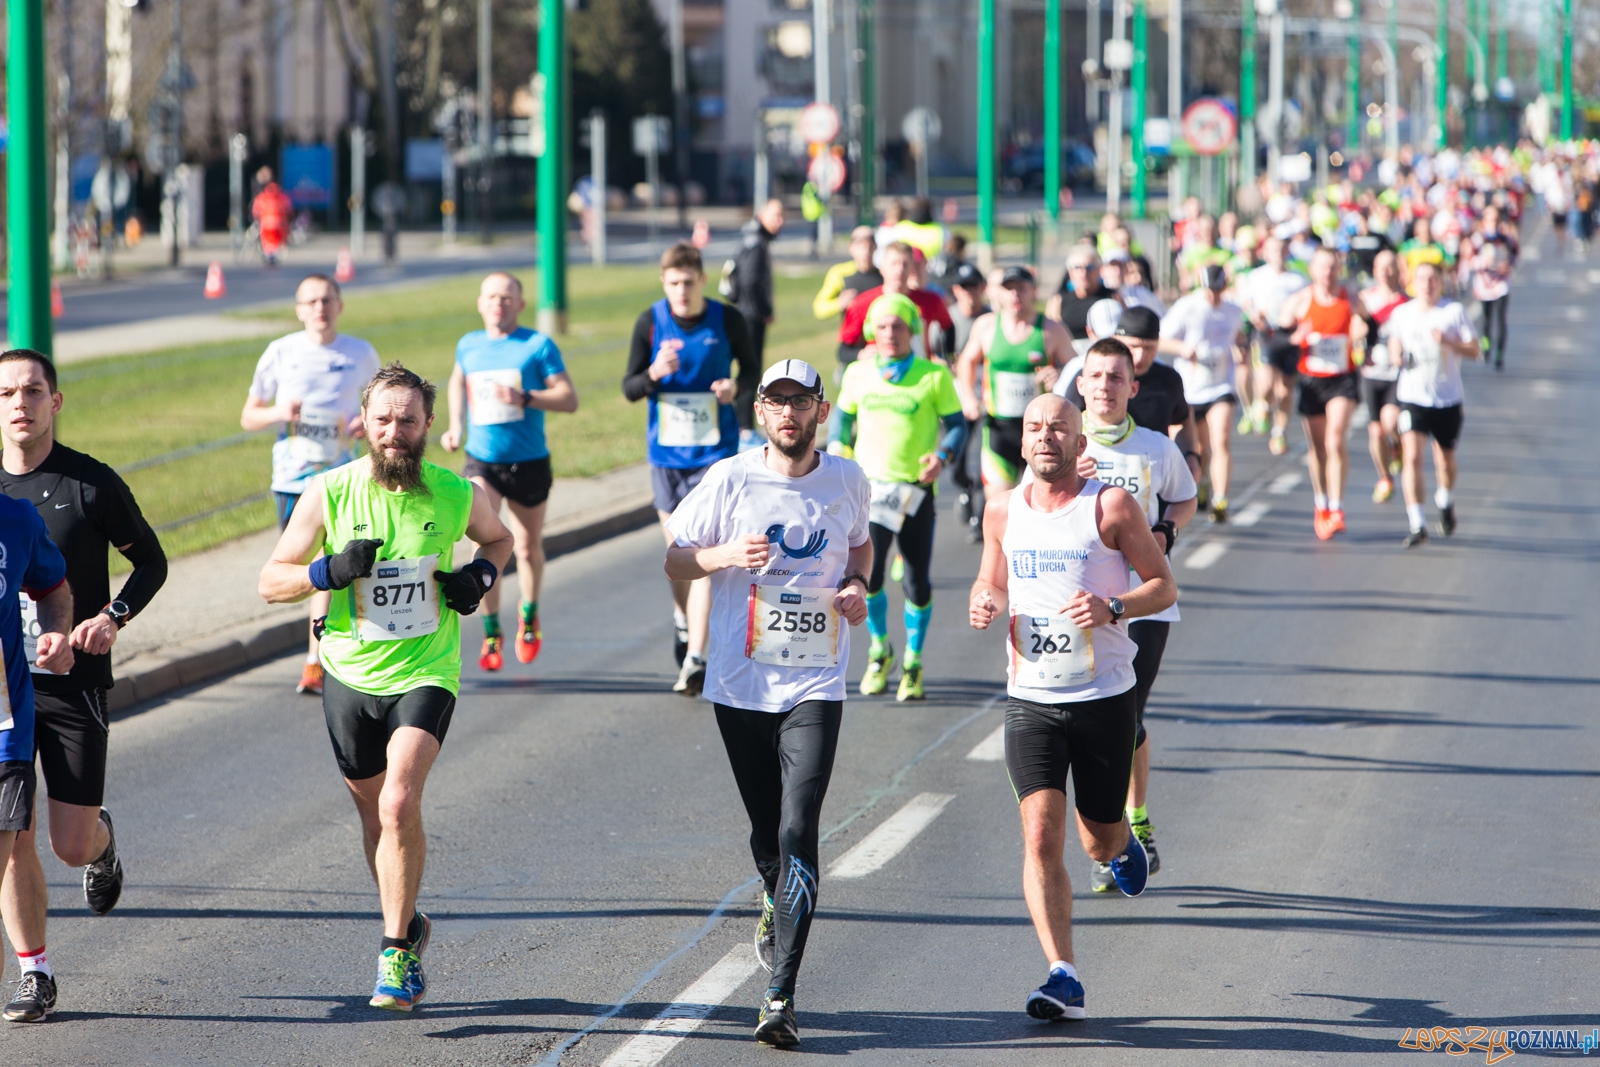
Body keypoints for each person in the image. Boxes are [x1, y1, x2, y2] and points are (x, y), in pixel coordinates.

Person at [259, 363, 513, 1012]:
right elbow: (271, 579)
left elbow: (500, 537)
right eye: (383, 421)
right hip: (349, 671)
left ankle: (395, 950)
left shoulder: (457, 492)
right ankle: (412, 919)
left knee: (399, 802)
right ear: (363, 425)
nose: (395, 432)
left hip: (427, 670)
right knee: (375, 818)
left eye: (408, 420)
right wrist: (330, 568)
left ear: (429, 424)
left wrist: (480, 575)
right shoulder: (331, 491)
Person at [664, 359, 872, 1049]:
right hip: (740, 682)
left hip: (816, 682)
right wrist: (724, 554)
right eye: (776, 401)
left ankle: (780, 992)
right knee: (766, 839)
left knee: (797, 829)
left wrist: (858, 585)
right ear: (760, 412)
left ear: (821, 409)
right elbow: (675, 558)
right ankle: (770, 894)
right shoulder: (728, 478)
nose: (789, 413)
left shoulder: (847, 479)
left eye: (801, 401)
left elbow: (862, 545)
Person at [968, 392, 1175, 1022]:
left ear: (1080, 442)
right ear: (1023, 440)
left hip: (1102, 697)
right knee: (1038, 835)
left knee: (1094, 840)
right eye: (1035, 428)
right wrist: (983, 599)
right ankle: (1063, 973)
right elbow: (991, 579)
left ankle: (1120, 846)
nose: (1045, 437)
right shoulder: (1002, 509)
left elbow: (1163, 585)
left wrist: (1114, 608)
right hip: (1030, 699)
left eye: (1058, 428)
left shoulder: (1109, 506)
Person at [0, 350, 168, 1022]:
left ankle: (104, 842)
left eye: (34, 390)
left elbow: (150, 561)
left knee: (68, 843)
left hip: (72, 682)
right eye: (7, 392)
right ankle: (33, 971)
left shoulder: (87, 483)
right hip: (6, 697)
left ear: (55, 401)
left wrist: (110, 616)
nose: (20, 403)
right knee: (14, 834)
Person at [1064, 341, 1196, 893]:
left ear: (1133, 387)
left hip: (1143, 604)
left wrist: (1167, 531)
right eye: (1095, 376)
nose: (1104, 386)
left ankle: (1127, 828)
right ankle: (1115, 834)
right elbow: (1027, 507)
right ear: (1081, 384)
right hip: (1079, 607)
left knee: (1126, 719)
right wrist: (1073, 476)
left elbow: (1185, 498)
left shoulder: (1155, 447)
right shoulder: (1061, 446)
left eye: (1116, 377)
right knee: (1093, 726)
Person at [624, 242, 762, 693]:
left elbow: (754, 372)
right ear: (664, 283)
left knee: (702, 552)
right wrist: (654, 375)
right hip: (667, 458)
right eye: (673, 283)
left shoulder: (727, 319)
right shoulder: (650, 321)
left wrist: (734, 388)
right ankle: (683, 620)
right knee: (676, 554)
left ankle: (697, 659)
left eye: (689, 282)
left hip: (714, 457)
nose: (682, 291)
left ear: (702, 280)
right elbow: (629, 387)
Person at [241, 274, 381, 695]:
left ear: (339, 306)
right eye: (311, 301)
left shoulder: (360, 353)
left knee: (331, 557)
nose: (320, 308)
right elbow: (249, 416)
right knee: (300, 567)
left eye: (327, 300)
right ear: (299, 309)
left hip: (339, 477)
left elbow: (379, 406)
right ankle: (323, 645)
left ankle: (315, 658)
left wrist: (363, 423)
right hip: (290, 477)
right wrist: (280, 412)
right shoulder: (281, 352)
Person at [440, 273, 577, 671]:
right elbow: (456, 382)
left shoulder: (537, 345)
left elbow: (569, 399)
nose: (499, 303)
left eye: (507, 297)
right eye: (492, 297)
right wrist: (455, 426)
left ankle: (529, 616)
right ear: (480, 303)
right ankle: (490, 629)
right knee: (483, 541)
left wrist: (526, 397)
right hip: (483, 460)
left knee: (527, 547)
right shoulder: (469, 345)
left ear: (519, 304)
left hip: (530, 462)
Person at [836, 295, 966, 702]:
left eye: (899, 326)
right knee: (869, 578)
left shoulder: (933, 376)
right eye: (883, 326)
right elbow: (842, 416)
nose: (890, 334)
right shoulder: (858, 373)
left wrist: (941, 456)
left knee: (915, 580)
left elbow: (959, 425)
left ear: (912, 331)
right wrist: (839, 445)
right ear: (873, 330)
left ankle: (913, 660)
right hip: (869, 492)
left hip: (914, 493)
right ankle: (880, 652)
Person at [0, 482, 74, 1022]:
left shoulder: (17, 520)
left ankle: (34, 969)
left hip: (3, 725)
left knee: (11, 847)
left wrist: (54, 633)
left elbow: (52, 587)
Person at [955, 266, 1073, 496]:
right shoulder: (987, 325)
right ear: (1000, 294)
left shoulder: (1051, 329)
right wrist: (969, 397)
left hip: (1041, 430)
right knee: (999, 504)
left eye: (1021, 289)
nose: (1015, 295)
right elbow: (966, 361)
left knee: (1043, 500)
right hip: (999, 428)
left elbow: (1077, 369)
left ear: (1034, 292)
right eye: (1009, 289)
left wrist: (1059, 374)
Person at [1057, 306, 1202, 487]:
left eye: (1149, 348)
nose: (1140, 356)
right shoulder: (1093, 378)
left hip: (1150, 481)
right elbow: (1061, 426)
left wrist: (1190, 455)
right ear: (1116, 339)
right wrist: (1069, 464)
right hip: (1098, 478)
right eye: (1133, 346)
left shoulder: (1168, 380)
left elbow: (1183, 419)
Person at [1387, 262, 1478, 547]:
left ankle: (1445, 499)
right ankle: (1417, 524)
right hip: (1413, 397)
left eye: (1432, 279)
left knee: (1445, 461)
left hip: (1448, 398)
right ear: (1412, 282)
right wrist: (1395, 354)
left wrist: (1450, 341)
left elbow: (1475, 350)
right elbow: (1393, 342)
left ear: (1441, 282)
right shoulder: (1402, 313)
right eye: (1422, 279)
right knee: (1412, 457)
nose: (1427, 285)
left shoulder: (1452, 312)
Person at [1281, 247, 1368, 540]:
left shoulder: (1350, 298)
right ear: (1313, 270)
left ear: (1339, 269)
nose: (1327, 273)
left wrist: (1362, 336)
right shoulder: (1301, 301)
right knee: (1317, 448)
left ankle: (1337, 505)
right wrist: (1296, 338)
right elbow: (1278, 341)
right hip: (1311, 381)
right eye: (1322, 267)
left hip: (1342, 378)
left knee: (1335, 439)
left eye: (1332, 267)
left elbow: (1370, 327)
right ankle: (1321, 505)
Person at [1159, 264, 1245, 522]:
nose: (1213, 296)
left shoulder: (1233, 310)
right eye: (1209, 290)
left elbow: (1239, 337)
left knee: (1222, 440)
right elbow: (1161, 338)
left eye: (1218, 290)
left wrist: (1241, 348)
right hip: (1191, 388)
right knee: (1199, 448)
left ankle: (1221, 499)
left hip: (1221, 385)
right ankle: (1204, 481)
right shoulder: (1187, 306)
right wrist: (1183, 348)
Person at [1238, 235, 1309, 456]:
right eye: (1273, 249)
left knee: (1286, 387)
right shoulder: (1256, 276)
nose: (1278, 253)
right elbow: (1245, 302)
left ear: (1288, 251)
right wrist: (1253, 315)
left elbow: (1308, 306)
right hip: (1265, 333)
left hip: (1289, 336)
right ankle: (1263, 406)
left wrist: (1301, 327)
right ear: (1265, 253)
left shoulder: (1299, 279)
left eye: (1282, 249)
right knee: (1266, 381)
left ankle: (1280, 431)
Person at [837, 242, 954, 361]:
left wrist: (948, 357)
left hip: (919, 374)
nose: (899, 270)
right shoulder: (862, 303)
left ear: (912, 268)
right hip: (879, 375)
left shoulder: (930, 300)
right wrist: (860, 354)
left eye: (905, 264)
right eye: (894, 264)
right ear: (882, 268)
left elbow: (949, 327)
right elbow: (843, 350)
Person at [1356, 251, 1409, 504]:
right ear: (1374, 270)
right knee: (1376, 432)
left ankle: (1396, 443)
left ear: (1398, 271)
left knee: (1390, 423)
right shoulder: (1365, 300)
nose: (1386, 272)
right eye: (1381, 267)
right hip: (1371, 372)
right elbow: (1353, 332)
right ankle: (1384, 476)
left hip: (1397, 373)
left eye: (1390, 267)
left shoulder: (1407, 303)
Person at [945, 264, 991, 542]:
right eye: (964, 287)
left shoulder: (991, 319)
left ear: (982, 288)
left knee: (988, 459)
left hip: (988, 396)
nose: (969, 293)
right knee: (958, 463)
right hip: (958, 397)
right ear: (956, 290)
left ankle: (981, 518)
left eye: (974, 286)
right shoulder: (948, 319)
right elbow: (936, 353)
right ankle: (966, 486)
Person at [728, 198, 785, 368]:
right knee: (751, 368)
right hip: (750, 315)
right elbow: (749, 281)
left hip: (750, 312)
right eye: (775, 216)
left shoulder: (758, 239)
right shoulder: (755, 242)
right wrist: (764, 310)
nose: (780, 221)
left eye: (782, 216)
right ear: (762, 215)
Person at [1466, 204, 1518, 371]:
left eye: (1496, 219)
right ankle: (1486, 345)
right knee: (1487, 319)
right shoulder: (1478, 239)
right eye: (1490, 219)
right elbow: (1469, 261)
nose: (1493, 222)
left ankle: (1500, 354)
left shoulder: (1505, 238)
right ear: (1484, 220)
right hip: (1484, 285)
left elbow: (1515, 254)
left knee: (1501, 319)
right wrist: (1484, 263)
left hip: (1502, 284)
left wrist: (1508, 265)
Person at [811, 227, 882, 326]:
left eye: (869, 244)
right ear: (851, 248)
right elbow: (819, 308)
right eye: (860, 244)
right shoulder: (840, 273)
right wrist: (839, 303)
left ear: (875, 247)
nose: (865, 249)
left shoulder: (883, 274)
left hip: (878, 338)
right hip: (851, 338)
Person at [1046, 246, 1108, 339]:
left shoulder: (1113, 297)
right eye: (1077, 268)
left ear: (1099, 270)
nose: (1084, 273)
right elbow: (1051, 335)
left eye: (1089, 267)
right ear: (1070, 272)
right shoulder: (1058, 301)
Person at [251, 168, 294, 266]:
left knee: (267, 241)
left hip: (266, 223)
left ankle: (269, 256)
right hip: (280, 223)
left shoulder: (263, 197)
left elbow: (255, 210)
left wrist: (256, 218)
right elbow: (289, 208)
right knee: (278, 240)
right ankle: (274, 256)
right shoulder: (282, 196)